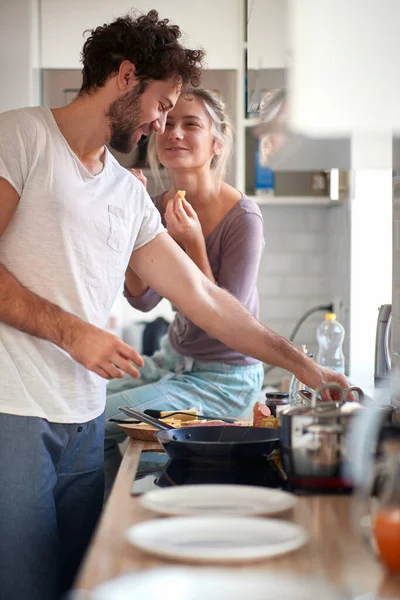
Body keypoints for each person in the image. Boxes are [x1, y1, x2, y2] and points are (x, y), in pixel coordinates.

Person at [0, 9, 348, 600]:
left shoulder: (123, 190)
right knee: (24, 586)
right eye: (162, 103)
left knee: (76, 585)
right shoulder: (21, 136)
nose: (162, 123)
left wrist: (303, 365)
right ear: (126, 76)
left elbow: (208, 300)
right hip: (14, 411)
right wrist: (72, 334)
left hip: (84, 420)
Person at [104, 88, 265, 475]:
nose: (174, 133)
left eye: (190, 124)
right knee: (77, 406)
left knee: (93, 420)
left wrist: (193, 242)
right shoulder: (157, 206)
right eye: (168, 123)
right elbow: (141, 300)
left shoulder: (243, 218)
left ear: (216, 143)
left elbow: (228, 324)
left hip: (223, 380)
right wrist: (132, 222)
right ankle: (93, 523)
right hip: (170, 360)